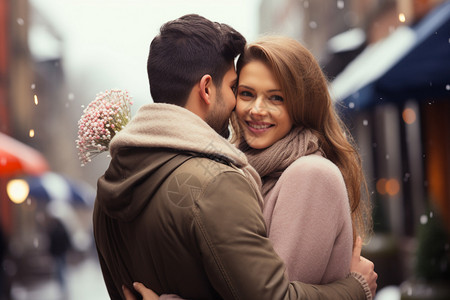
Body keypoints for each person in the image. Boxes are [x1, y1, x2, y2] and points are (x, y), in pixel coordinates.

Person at [93, 14, 376, 300]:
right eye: (244, 93)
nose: (256, 109)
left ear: (301, 104)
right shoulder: (229, 172)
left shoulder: (311, 174)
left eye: (276, 97)